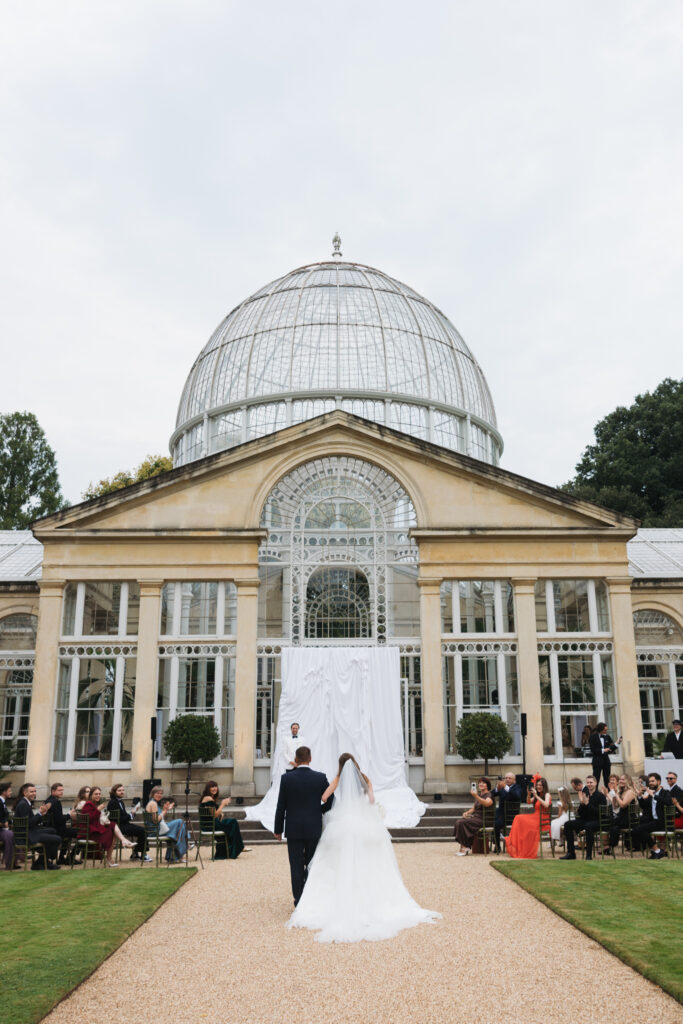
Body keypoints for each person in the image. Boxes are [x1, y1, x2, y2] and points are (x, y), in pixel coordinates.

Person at [287, 753, 440, 943]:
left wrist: (335, 801)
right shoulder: (365, 779)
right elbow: (371, 801)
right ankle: (364, 897)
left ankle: (340, 896)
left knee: (337, 861)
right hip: (361, 823)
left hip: (342, 823)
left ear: (341, 765)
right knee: (365, 860)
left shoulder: (338, 778)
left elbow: (324, 797)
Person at [274, 745, 333, 905]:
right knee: (312, 863)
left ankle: (298, 899)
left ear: (296, 759)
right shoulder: (320, 778)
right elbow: (330, 801)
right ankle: (310, 897)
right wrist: (318, 810)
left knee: (296, 865)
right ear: (310, 759)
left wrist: (278, 829)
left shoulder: (286, 779)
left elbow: (281, 806)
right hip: (313, 827)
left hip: (293, 828)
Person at [78, 786, 135, 867]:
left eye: (99, 794)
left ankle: (122, 842)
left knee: (112, 825)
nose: (98, 796)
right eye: (96, 794)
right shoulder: (88, 804)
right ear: (91, 795)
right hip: (89, 832)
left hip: (95, 828)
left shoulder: (93, 804)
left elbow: (95, 819)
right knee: (112, 828)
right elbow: (89, 819)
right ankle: (112, 854)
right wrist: (98, 809)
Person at [13, 782, 62, 869]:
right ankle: (41, 862)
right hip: (27, 835)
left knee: (52, 830)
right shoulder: (23, 804)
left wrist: (41, 814)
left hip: (31, 831)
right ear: (25, 793)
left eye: (35, 791)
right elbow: (29, 823)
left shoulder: (26, 803)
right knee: (57, 839)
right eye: (31, 792)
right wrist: (39, 813)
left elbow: (32, 821)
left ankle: (44, 861)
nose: (34, 793)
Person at [198, 781, 250, 859]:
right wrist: (223, 804)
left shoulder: (208, 798)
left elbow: (214, 815)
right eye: (212, 787)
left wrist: (220, 814)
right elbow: (215, 815)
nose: (215, 788)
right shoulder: (208, 798)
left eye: (215, 786)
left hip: (210, 825)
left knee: (231, 823)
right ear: (208, 789)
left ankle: (237, 847)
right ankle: (239, 847)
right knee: (233, 822)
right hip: (210, 826)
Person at [560, 775, 607, 860]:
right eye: (588, 782)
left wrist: (587, 804)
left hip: (597, 821)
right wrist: (582, 803)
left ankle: (588, 855)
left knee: (589, 826)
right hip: (585, 820)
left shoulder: (601, 796)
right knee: (567, 824)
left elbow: (600, 813)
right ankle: (571, 853)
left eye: (591, 782)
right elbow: (580, 814)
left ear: (595, 783)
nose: (589, 784)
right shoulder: (585, 795)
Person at [504, 776, 551, 859]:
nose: (538, 787)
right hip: (535, 816)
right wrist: (529, 794)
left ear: (544, 786)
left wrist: (536, 796)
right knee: (518, 818)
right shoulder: (537, 795)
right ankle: (513, 842)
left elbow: (546, 805)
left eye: (540, 785)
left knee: (520, 819)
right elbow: (528, 802)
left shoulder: (547, 794)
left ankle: (513, 842)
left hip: (543, 819)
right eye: (537, 785)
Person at [632, 773, 672, 858]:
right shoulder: (651, 793)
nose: (650, 783)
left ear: (659, 781)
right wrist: (639, 796)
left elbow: (668, 802)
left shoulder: (665, 793)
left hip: (662, 822)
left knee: (638, 830)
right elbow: (644, 806)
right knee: (636, 830)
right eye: (649, 781)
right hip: (653, 821)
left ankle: (656, 850)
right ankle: (656, 850)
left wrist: (654, 796)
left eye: (653, 781)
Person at [107, 784, 149, 862]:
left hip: (124, 824)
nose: (122, 792)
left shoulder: (120, 802)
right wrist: (130, 814)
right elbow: (119, 819)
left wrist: (133, 813)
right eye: (119, 790)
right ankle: (143, 854)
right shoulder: (113, 802)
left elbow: (125, 817)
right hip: (118, 827)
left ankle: (136, 853)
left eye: (123, 790)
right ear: (114, 792)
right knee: (142, 831)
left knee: (142, 830)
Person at [145, 786, 188, 861]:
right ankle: (184, 847)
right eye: (157, 793)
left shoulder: (153, 802)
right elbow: (156, 820)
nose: (159, 795)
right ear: (152, 794)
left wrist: (166, 809)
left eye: (161, 793)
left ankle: (175, 855)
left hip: (157, 829)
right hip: (155, 831)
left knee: (179, 829)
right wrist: (165, 811)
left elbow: (158, 818)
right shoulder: (153, 803)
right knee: (180, 822)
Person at [453, 778, 494, 855]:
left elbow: (487, 803)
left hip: (484, 820)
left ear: (487, 785)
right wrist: (467, 813)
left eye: (483, 783)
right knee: (459, 822)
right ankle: (464, 846)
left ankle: (465, 847)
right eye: (480, 783)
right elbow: (473, 809)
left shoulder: (489, 795)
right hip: (476, 818)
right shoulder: (480, 795)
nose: (481, 784)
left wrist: (476, 796)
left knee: (462, 823)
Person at [44, 782, 76, 864]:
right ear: (53, 791)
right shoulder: (56, 802)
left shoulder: (48, 800)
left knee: (68, 834)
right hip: (57, 830)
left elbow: (57, 817)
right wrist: (69, 815)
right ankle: (71, 857)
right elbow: (59, 820)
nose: (62, 792)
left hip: (51, 828)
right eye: (59, 790)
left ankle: (62, 857)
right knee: (81, 832)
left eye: (62, 790)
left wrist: (67, 815)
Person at [604, 774, 637, 852]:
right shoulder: (621, 791)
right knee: (609, 824)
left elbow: (623, 805)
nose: (620, 781)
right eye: (620, 779)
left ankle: (610, 846)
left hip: (629, 818)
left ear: (628, 781)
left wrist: (616, 794)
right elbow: (615, 806)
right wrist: (614, 793)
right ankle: (609, 846)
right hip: (622, 816)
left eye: (623, 779)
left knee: (612, 825)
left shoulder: (630, 792)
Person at [493, 772, 523, 852]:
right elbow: (491, 794)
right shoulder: (502, 788)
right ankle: (497, 845)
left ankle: (510, 843)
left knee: (496, 822)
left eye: (509, 778)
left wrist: (505, 787)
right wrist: (497, 788)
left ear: (514, 780)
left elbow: (517, 795)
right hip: (501, 815)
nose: (507, 779)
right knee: (495, 823)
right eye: (506, 778)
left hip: (512, 815)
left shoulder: (517, 787)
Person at [589, 723, 620, 788]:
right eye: (605, 730)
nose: (606, 731)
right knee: (596, 778)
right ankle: (594, 792)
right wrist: (603, 750)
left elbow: (611, 749)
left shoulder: (607, 736)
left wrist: (617, 743)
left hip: (606, 760)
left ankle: (609, 792)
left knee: (607, 778)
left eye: (606, 730)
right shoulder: (592, 737)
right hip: (597, 760)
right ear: (600, 730)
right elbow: (593, 749)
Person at [0, 782, 16, 869]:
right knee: (10, 835)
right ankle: (9, 863)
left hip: (3, 829)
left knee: (13, 833)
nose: (11, 792)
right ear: (4, 792)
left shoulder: (2, 802)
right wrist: (4, 823)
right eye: (9, 791)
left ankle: (13, 861)